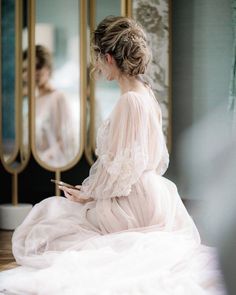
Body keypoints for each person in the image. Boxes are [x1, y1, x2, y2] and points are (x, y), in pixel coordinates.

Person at [0, 17, 226, 295]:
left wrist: (88, 194)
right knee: (63, 220)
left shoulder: (128, 101)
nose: (95, 65)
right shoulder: (147, 94)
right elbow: (148, 161)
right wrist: (91, 192)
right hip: (154, 195)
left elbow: (121, 171)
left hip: (132, 201)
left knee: (51, 217)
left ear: (108, 57)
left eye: (97, 58)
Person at [22, 45, 77, 167]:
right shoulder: (33, 100)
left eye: (37, 67)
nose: (31, 73)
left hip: (50, 168)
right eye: (25, 69)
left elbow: (67, 140)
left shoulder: (58, 97)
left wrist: (42, 159)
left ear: (48, 69)